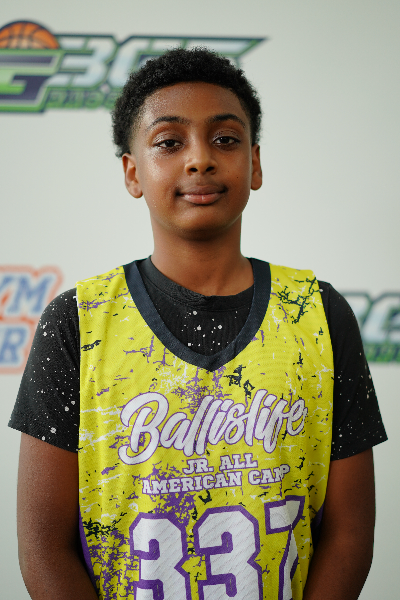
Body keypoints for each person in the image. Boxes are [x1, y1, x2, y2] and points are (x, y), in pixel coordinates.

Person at [9, 48, 387, 600]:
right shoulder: (78, 322)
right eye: (169, 142)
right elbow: (43, 548)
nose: (200, 160)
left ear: (255, 164)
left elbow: (350, 534)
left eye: (225, 139)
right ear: (133, 172)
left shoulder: (318, 313)